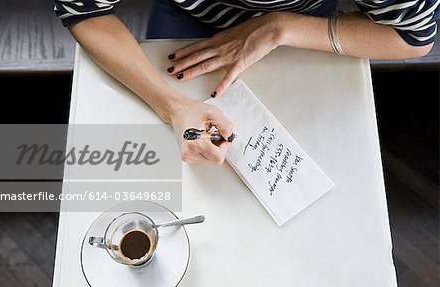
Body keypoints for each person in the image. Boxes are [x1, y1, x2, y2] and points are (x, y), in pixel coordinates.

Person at [54, 0, 439, 165]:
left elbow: (413, 35)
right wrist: (172, 104)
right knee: (177, 169)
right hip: (186, 24)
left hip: (304, 29)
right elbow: (82, 9)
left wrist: (279, 26)